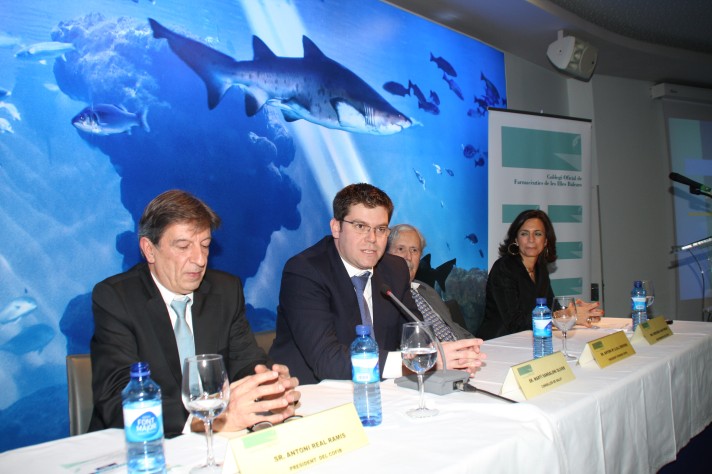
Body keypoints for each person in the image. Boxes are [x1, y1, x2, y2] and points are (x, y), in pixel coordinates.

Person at [90, 190, 300, 437]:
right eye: (183, 246)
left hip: (217, 439)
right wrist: (206, 419)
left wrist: (266, 383)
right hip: (142, 443)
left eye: (205, 245)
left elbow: (246, 362)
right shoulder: (116, 299)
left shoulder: (226, 290)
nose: (200, 259)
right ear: (149, 249)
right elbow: (118, 401)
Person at [269, 183, 485, 384]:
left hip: (382, 389)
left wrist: (447, 358)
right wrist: (412, 363)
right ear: (336, 228)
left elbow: (415, 333)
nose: (372, 238)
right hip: (313, 395)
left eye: (381, 229)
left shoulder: (395, 269)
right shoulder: (305, 271)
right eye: (360, 226)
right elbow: (327, 360)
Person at [478, 209, 603, 340]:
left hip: (529, 340)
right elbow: (516, 323)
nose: (531, 239)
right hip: (499, 342)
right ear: (516, 239)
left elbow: (551, 307)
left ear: (545, 241)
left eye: (537, 234)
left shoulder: (540, 268)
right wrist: (567, 315)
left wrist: (577, 311)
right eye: (524, 234)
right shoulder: (504, 268)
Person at [387, 223, 475, 341]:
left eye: (414, 250)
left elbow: (454, 328)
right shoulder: (381, 297)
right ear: (386, 254)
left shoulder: (427, 290)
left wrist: (476, 344)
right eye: (401, 249)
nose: (408, 256)